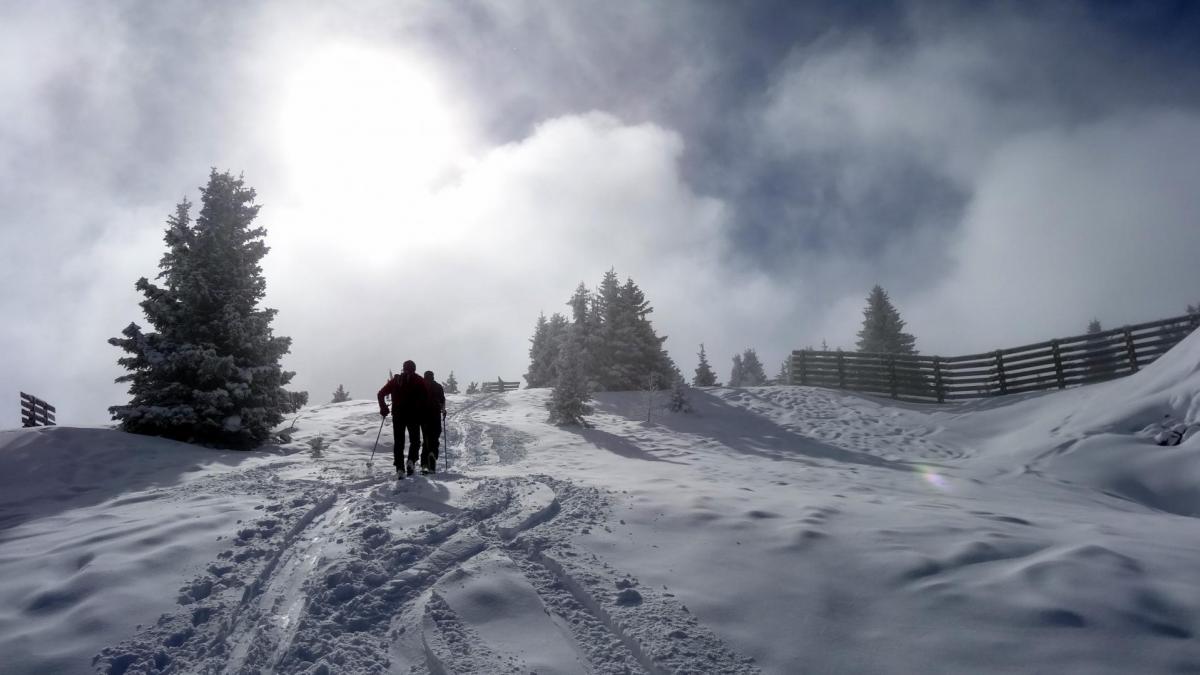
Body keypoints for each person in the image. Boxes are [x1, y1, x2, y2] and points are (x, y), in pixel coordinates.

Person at [378, 360, 428, 478]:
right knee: (415, 441)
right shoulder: (419, 380)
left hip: (398, 415)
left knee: (399, 442)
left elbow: (380, 394)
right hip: (413, 416)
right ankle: (411, 461)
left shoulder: (396, 380)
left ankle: (400, 468)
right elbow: (425, 399)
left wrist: (384, 408)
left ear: (403, 368)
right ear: (414, 368)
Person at [421, 370, 447, 474]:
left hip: (423, 416)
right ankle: (432, 454)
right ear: (433, 377)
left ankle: (424, 464)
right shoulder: (438, 386)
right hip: (435, 415)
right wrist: (443, 410)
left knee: (426, 438)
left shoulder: (420, 386)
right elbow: (442, 401)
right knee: (435, 436)